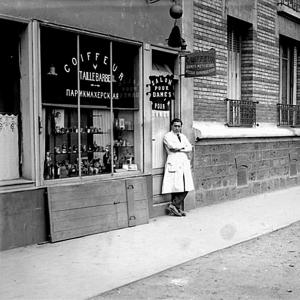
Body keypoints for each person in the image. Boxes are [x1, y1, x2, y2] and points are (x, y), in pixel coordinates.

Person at [162, 118, 194, 217]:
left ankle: (174, 206)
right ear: (172, 126)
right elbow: (172, 147)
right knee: (176, 186)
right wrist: (182, 148)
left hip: (183, 162)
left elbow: (189, 148)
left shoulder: (183, 136)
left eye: (179, 126)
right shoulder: (167, 136)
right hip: (174, 162)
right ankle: (175, 207)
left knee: (186, 186)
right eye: (175, 126)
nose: (177, 128)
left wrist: (180, 148)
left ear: (181, 127)